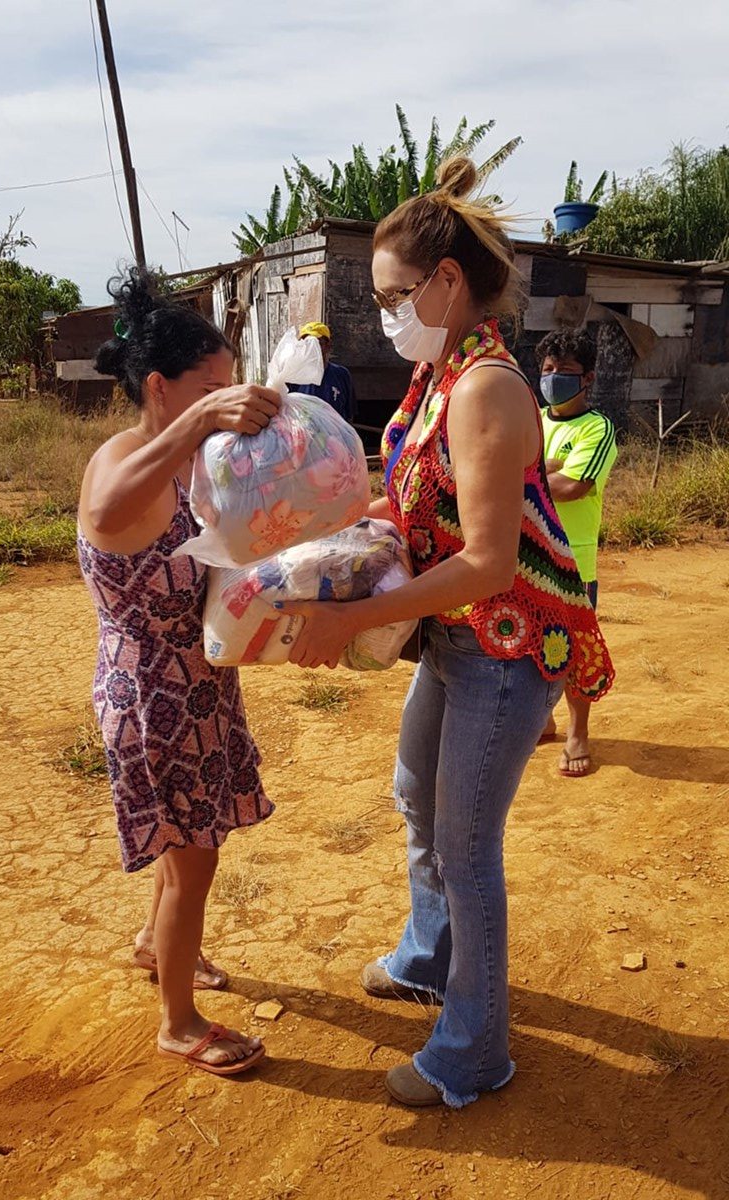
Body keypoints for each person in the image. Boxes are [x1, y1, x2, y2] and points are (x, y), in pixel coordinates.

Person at [276, 156, 614, 1109]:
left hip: (507, 646)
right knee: (415, 795)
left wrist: (348, 616)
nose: (384, 313)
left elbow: (489, 562)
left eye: (393, 295)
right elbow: (420, 502)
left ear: (447, 282)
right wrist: (342, 527)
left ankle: (473, 1050)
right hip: (461, 638)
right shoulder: (437, 374)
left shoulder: (488, 390)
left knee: (466, 845)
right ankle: (431, 957)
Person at [77, 269, 282, 1075]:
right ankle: (177, 1021)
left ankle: (154, 945)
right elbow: (102, 514)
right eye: (210, 390)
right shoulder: (125, 459)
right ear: (160, 389)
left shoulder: (184, 466)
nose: (226, 403)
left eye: (229, 388)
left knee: (185, 844)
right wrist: (197, 423)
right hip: (152, 700)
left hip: (193, 687)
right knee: (194, 855)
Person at [536, 328, 617, 778]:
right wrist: (543, 468)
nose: (553, 380)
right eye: (548, 371)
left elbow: (574, 485)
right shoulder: (533, 418)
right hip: (527, 554)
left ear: (587, 379)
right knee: (531, 645)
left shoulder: (597, 428)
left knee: (576, 651)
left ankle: (578, 733)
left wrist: (526, 473)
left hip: (573, 561)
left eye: (565, 373)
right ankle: (542, 721)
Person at [288, 320, 357, 423]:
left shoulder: (341, 374)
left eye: (316, 343)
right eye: (306, 343)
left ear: (328, 345)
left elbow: (349, 413)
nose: (311, 348)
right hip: (303, 436)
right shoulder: (293, 376)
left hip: (334, 436)